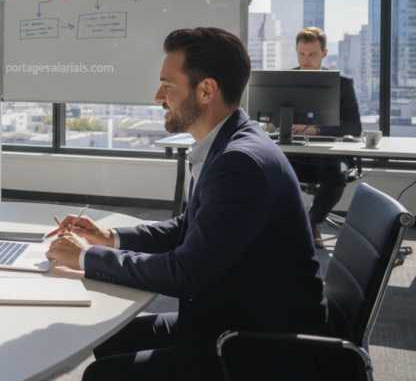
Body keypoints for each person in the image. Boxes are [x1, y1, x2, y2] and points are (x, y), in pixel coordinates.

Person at [45, 28, 333, 380]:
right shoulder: (230, 143)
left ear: (206, 90)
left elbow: (186, 274)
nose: (157, 97)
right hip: (238, 310)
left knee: (101, 375)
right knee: (112, 337)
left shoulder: (241, 162)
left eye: (168, 86)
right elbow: (187, 227)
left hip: (263, 344)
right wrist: (109, 237)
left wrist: (86, 256)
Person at [288, 26, 362, 249]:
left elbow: (354, 126)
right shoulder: (286, 79)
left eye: (312, 54)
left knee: (336, 175)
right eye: (301, 53)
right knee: (267, 170)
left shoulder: (342, 84)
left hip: (327, 156)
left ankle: (312, 221)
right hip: (294, 154)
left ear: (324, 53)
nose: (306, 59)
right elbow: (270, 115)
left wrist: (315, 130)